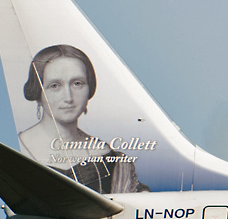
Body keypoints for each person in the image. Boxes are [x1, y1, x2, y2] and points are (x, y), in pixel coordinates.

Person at [17, 44, 148, 194]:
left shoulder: (109, 157)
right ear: (38, 93)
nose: (68, 97)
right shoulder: (19, 148)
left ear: (89, 89)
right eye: (55, 86)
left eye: (77, 84)